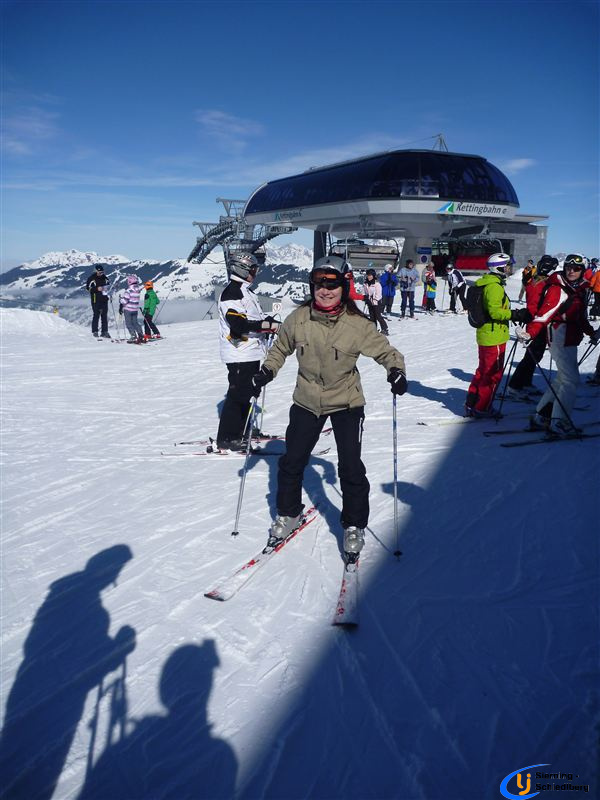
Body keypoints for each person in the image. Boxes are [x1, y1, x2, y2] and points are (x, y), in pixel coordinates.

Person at [250, 256, 407, 562]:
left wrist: (396, 371)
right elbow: (280, 348)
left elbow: (386, 352)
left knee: (350, 466)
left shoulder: (357, 325)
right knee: (292, 461)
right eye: (319, 283)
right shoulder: (299, 319)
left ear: (343, 287)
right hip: (307, 399)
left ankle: (353, 524)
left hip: (346, 401)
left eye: (332, 283)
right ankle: (289, 513)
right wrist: (267, 371)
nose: (325, 290)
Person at [520, 253, 599, 436]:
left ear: (582, 271)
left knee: (562, 379)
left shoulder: (578, 289)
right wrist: (529, 333)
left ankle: (542, 416)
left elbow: (579, 317)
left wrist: (591, 332)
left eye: (576, 268)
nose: (571, 271)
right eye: (569, 268)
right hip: (559, 336)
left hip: (570, 338)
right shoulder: (559, 289)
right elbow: (544, 315)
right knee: (571, 381)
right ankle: (559, 422)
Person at [216, 252, 280, 451]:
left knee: (249, 391)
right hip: (239, 352)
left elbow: (253, 317)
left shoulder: (246, 292)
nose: (256, 273)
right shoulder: (232, 293)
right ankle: (227, 437)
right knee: (238, 394)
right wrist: (264, 326)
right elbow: (238, 324)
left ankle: (242, 430)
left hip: (251, 351)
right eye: (253, 269)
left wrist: (267, 321)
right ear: (242, 270)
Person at [465, 253, 514, 417]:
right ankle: (482, 407)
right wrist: (514, 314)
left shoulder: (487, 282)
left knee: (482, 371)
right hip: (495, 337)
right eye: (507, 266)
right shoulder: (494, 287)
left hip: (486, 334)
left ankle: (472, 403)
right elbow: (495, 312)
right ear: (500, 268)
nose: (509, 269)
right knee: (493, 374)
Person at [507, 255, 558, 399]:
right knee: (531, 356)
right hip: (537, 323)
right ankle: (515, 386)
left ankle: (526, 382)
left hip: (540, 322)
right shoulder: (539, 284)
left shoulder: (541, 282)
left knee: (536, 355)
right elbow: (533, 306)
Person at [85, 265, 110, 338]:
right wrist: (96, 289)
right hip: (96, 300)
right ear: (96, 271)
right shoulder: (91, 278)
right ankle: (95, 331)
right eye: (99, 272)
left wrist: (108, 292)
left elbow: (109, 287)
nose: (101, 274)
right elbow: (87, 288)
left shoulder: (105, 278)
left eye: (102, 272)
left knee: (104, 316)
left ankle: (104, 332)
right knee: (96, 315)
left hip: (104, 299)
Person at [119, 275, 145, 343]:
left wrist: (120, 300)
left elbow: (125, 301)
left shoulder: (128, 291)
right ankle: (141, 334)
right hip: (135, 309)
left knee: (129, 323)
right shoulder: (138, 290)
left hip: (128, 309)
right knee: (135, 323)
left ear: (129, 282)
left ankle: (133, 336)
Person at [364, 268, 389, 335]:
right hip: (370, 302)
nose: (369, 277)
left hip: (376, 303)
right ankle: (374, 329)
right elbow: (366, 293)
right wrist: (366, 299)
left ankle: (385, 329)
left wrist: (374, 300)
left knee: (378, 316)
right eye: (368, 275)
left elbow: (379, 295)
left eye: (370, 275)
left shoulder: (377, 284)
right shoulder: (366, 284)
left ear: (373, 276)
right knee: (372, 317)